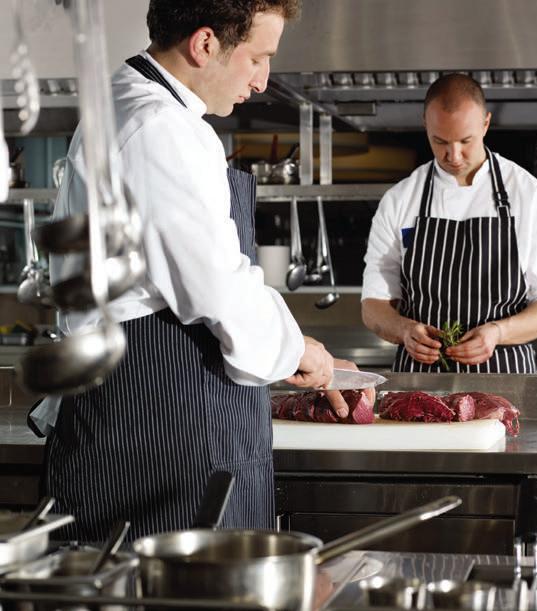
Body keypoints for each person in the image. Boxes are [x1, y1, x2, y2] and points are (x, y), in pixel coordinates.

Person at [35, 0, 359, 543]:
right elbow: (215, 288)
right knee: (183, 582)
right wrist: (298, 351)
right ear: (206, 44)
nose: (262, 82)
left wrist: (292, 346)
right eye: (258, 58)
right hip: (161, 431)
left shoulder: (131, 107)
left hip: (141, 417)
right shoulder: (158, 127)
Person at [361, 74, 537, 373]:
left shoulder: (530, 196)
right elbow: (373, 306)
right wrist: (403, 329)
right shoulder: (400, 199)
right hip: (421, 382)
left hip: (505, 379)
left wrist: (498, 332)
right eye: (440, 141)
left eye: (465, 141)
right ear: (425, 124)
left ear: (485, 124)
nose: (454, 155)